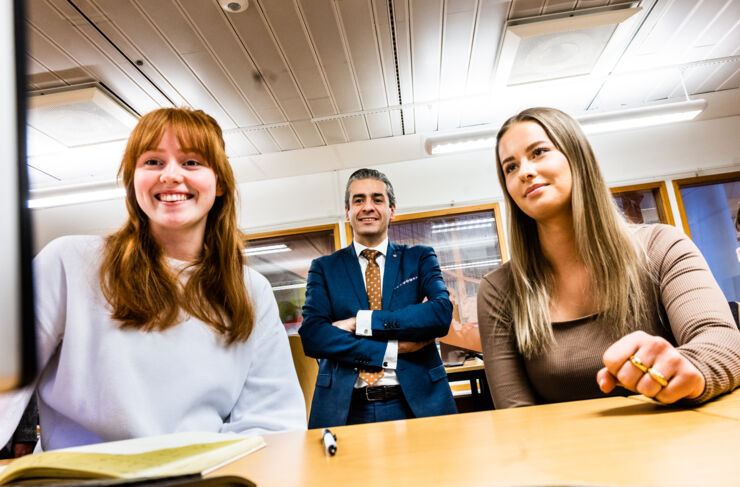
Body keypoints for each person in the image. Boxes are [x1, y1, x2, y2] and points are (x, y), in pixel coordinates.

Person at [0, 108, 306, 451]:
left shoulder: (250, 290)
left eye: (192, 162)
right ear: (132, 179)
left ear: (219, 182)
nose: (171, 176)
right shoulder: (68, 263)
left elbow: (273, 423)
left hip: (201, 475)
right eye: (153, 162)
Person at [477, 107, 740, 409]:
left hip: (676, 450)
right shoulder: (499, 290)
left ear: (578, 157)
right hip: (559, 454)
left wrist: (689, 368)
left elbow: (722, 340)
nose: (524, 171)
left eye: (538, 152)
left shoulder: (662, 247)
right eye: (510, 167)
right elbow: (515, 414)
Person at [299, 168, 457, 427]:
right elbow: (314, 336)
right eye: (358, 200)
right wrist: (390, 350)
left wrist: (360, 322)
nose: (367, 207)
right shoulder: (324, 268)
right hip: (346, 408)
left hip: (418, 403)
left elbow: (439, 314)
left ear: (392, 209)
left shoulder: (419, 258)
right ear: (347, 212)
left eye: (377, 199)